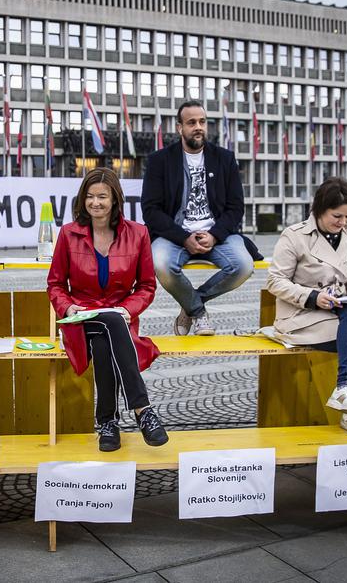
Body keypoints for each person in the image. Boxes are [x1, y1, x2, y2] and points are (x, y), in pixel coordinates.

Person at [47, 168, 168, 452]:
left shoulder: (137, 234)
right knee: (106, 326)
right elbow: (54, 285)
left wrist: (128, 309)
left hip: (120, 318)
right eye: (89, 196)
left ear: (115, 199)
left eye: (102, 196)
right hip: (80, 318)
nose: (95, 202)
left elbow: (147, 285)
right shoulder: (68, 234)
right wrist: (68, 307)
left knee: (106, 338)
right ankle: (142, 409)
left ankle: (108, 423)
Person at [266, 177, 347, 437]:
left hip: (338, 313)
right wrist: (311, 296)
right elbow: (275, 281)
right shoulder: (294, 236)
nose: (343, 223)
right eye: (337, 216)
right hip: (302, 315)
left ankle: (345, 391)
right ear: (319, 210)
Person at [142, 100, 258, 337]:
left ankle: (190, 305)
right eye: (191, 122)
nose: (198, 127)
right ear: (179, 128)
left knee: (244, 266)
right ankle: (199, 311)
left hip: (218, 234)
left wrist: (214, 235)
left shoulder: (225, 158)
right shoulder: (159, 160)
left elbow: (236, 207)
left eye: (202, 122)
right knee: (161, 264)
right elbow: (151, 210)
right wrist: (184, 238)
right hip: (174, 235)